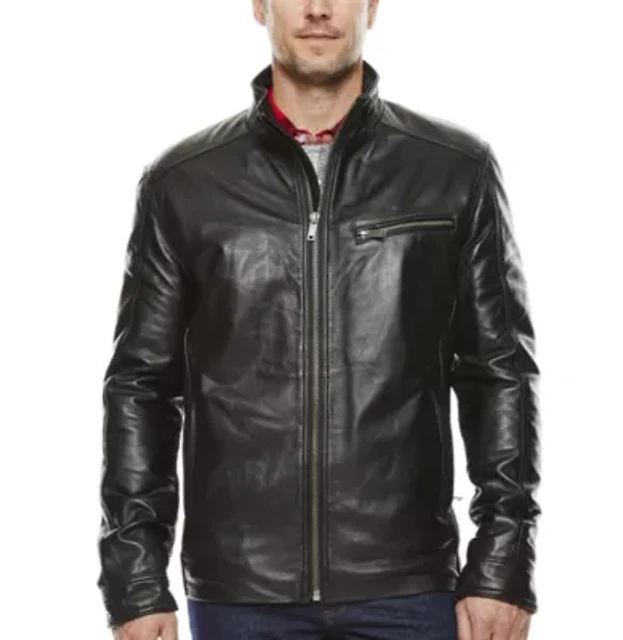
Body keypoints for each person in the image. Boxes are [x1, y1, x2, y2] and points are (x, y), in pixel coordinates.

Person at [97, 1, 542, 638]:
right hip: (241, 591)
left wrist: (502, 565)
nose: (316, 9)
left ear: (372, 6)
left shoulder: (453, 170)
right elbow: (141, 387)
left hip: (409, 585)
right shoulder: (185, 183)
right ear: (260, 6)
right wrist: (136, 581)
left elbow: (499, 373)